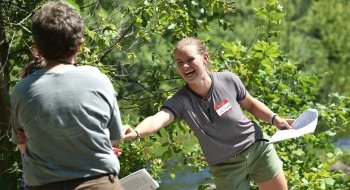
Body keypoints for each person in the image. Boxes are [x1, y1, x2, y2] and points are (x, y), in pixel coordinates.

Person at [124, 37, 294, 190]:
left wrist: (275, 119)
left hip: (258, 149)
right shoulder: (181, 100)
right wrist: (137, 132)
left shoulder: (228, 79)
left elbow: (251, 104)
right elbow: (158, 119)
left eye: (190, 59)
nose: (184, 66)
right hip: (225, 166)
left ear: (205, 58)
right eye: (179, 62)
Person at [10, 1, 124, 189]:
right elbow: (113, 139)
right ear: (80, 45)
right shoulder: (99, 80)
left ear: (37, 47)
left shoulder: (22, 91)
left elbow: (22, 143)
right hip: (101, 182)